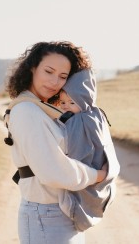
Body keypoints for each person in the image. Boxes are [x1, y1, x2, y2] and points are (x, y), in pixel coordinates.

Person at [5, 41, 107, 244]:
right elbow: (54, 171)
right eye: (49, 71)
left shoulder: (41, 109)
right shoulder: (27, 111)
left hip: (61, 211)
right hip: (46, 216)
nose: (54, 82)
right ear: (32, 68)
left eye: (63, 76)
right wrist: (98, 175)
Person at [56, 69, 120, 231]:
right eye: (63, 103)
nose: (66, 107)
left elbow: (78, 153)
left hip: (87, 174)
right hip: (98, 174)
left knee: (80, 200)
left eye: (72, 102)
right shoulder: (96, 114)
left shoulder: (77, 121)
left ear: (84, 99)